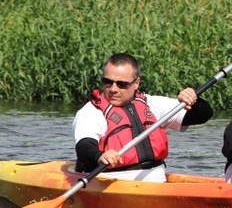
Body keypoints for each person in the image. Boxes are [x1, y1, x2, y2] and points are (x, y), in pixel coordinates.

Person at [72, 52, 213, 182]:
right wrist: (99, 156)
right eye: (107, 82)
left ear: (136, 83)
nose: (113, 89)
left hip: (156, 179)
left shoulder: (151, 103)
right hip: (112, 182)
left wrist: (194, 100)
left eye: (122, 84)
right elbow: (84, 146)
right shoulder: (91, 111)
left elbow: (202, 116)